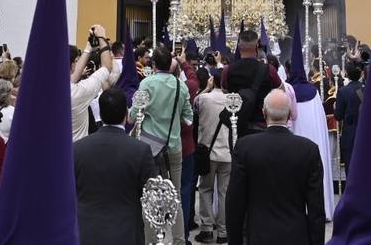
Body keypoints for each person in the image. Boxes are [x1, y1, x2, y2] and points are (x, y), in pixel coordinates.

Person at [224, 89, 324, 245]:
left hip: (259, 236)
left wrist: (235, 241)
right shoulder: (308, 150)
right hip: (296, 236)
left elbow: (234, 203)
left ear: (264, 113)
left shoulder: (245, 147)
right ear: (290, 114)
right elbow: (316, 209)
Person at [73, 88, 155, 245]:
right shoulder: (140, 150)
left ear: (101, 114)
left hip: (86, 232)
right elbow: (149, 196)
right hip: (126, 232)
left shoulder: (77, 148)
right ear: (126, 113)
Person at [135, 47, 193, 245]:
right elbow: (188, 118)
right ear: (170, 64)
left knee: (149, 195)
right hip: (173, 145)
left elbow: (135, 114)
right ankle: (178, 240)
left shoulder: (146, 83)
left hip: (149, 147)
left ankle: (151, 240)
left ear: (153, 64)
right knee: (175, 195)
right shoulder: (180, 86)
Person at [193, 70, 234, 244]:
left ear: (213, 81)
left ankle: (207, 229)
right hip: (227, 153)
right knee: (224, 193)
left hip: (207, 152)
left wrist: (206, 88)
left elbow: (193, 103)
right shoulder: (233, 101)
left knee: (205, 190)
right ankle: (223, 232)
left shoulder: (203, 99)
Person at [220, 30, 278, 137]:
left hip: (237, 125)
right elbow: (280, 91)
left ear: (239, 46)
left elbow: (225, 91)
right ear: (257, 46)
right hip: (262, 126)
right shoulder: (269, 70)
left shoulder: (227, 70)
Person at [71, 25, 116, 141]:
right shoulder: (77, 92)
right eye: (75, 61)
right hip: (76, 152)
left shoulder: (44, 89)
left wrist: (88, 49)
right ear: (72, 66)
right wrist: (102, 38)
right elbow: (106, 67)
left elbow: (71, 79)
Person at [334, 61, 363, 169]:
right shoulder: (366, 89)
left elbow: (338, 116)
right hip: (365, 132)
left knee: (350, 168)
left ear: (346, 74)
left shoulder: (343, 91)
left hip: (350, 134)